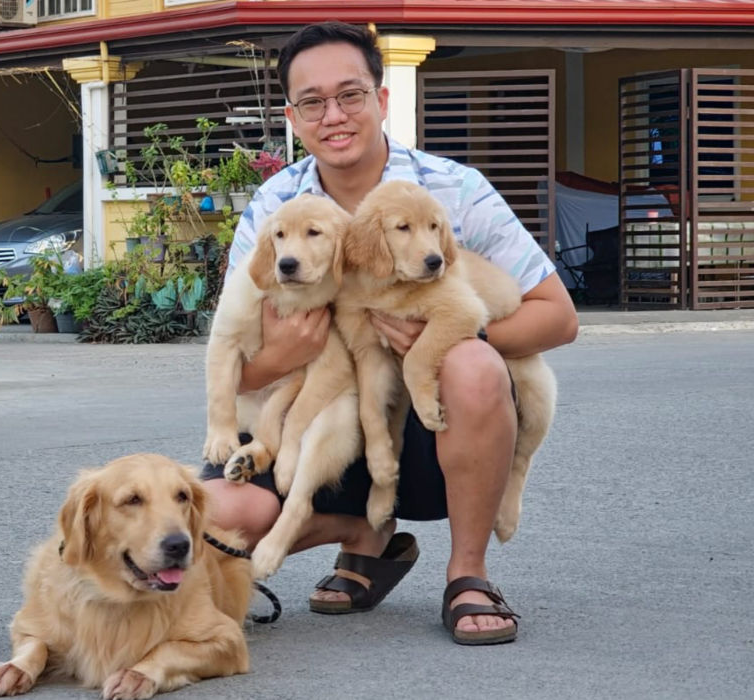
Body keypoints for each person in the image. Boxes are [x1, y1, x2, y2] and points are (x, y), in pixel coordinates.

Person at [199, 21, 579, 645]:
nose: (335, 116)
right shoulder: (277, 208)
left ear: (381, 99)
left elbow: (557, 316)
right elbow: (238, 348)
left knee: (472, 364)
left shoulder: (452, 190)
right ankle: (364, 537)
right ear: (294, 118)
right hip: (317, 417)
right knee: (224, 519)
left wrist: (441, 344)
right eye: (314, 103)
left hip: (435, 432)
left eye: (350, 95)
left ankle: (468, 574)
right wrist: (282, 357)